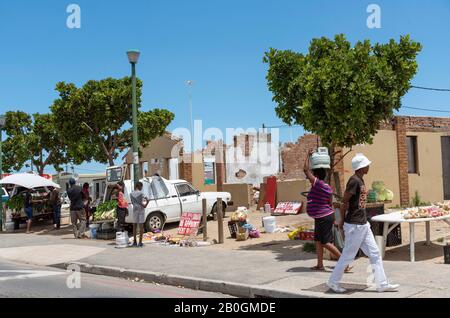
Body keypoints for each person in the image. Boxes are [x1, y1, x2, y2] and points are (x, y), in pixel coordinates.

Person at [328, 154, 400, 293]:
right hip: (355, 225)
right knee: (348, 255)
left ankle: (382, 284)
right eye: (367, 164)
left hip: (363, 223)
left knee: (374, 253)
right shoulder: (354, 181)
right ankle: (333, 281)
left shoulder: (360, 180)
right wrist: (342, 221)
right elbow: (345, 202)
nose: (368, 166)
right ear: (361, 167)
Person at [304, 149, 352, 273]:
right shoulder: (327, 187)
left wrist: (308, 156)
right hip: (324, 216)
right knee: (318, 241)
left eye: (313, 175)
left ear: (316, 175)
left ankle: (344, 263)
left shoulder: (317, 184)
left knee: (325, 242)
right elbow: (329, 204)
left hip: (323, 217)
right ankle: (320, 265)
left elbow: (305, 170)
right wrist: (335, 220)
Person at [130, 182, 150, 248]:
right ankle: (140, 242)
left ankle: (135, 241)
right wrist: (145, 205)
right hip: (141, 210)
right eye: (141, 187)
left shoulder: (131, 194)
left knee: (134, 226)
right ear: (139, 186)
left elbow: (132, 203)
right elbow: (147, 199)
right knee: (141, 226)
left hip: (135, 210)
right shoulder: (141, 193)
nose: (142, 188)